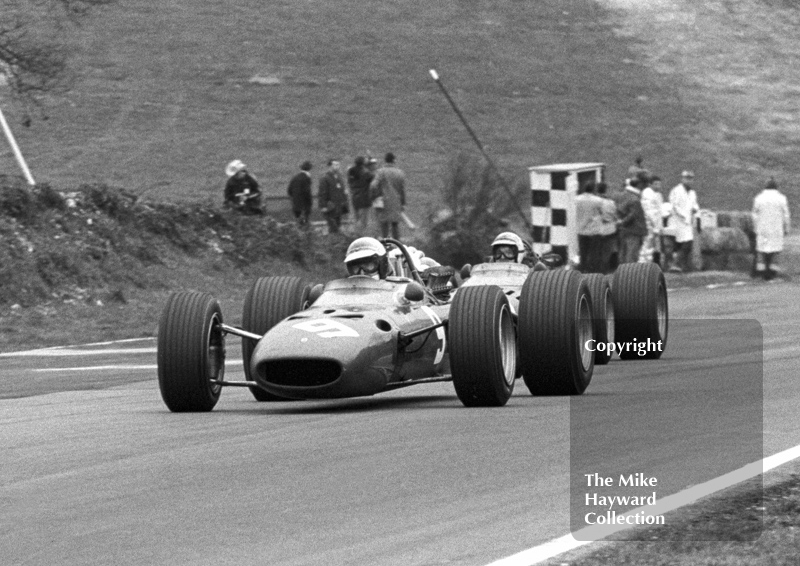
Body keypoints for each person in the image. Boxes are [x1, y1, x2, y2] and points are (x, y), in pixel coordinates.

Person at [752, 177, 791, 280]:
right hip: (776, 228)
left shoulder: (759, 198)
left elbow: (754, 214)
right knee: (775, 250)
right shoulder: (781, 198)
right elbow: (786, 215)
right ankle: (772, 272)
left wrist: (755, 227)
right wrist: (786, 227)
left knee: (761, 250)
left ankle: (761, 271)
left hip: (762, 227)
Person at [667, 170, 700, 272]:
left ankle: (680, 266)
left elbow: (695, 205)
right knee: (684, 244)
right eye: (687, 179)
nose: (689, 181)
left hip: (687, 223)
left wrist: (696, 213)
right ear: (682, 179)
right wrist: (684, 216)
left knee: (686, 244)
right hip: (677, 221)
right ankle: (675, 264)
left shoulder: (692, 193)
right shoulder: (676, 191)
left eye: (691, 179)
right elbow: (675, 206)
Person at [370, 152, 406, 239]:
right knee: (395, 225)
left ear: (385, 161)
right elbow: (402, 190)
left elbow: (373, 185)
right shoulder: (400, 173)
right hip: (396, 202)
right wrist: (403, 203)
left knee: (384, 224)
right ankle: (397, 245)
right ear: (394, 160)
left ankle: (385, 245)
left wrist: (375, 197)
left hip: (384, 202)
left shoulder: (381, 172)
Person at [574, 181, 608, 273]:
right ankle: (593, 271)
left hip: (581, 230)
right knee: (594, 253)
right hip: (594, 230)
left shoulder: (577, 199)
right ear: (593, 189)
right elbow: (603, 213)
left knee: (583, 252)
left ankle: (582, 270)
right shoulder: (598, 200)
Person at [615, 177, 647, 264]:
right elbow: (633, 215)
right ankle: (630, 273)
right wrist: (624, 221)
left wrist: (620, 222)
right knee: (632, 253)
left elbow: (617, 210)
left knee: (623, 252)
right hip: (634, 229)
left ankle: (622, 271)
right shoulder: (635, 199)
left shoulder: (621, 195)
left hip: (622, 229)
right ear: (639, 185)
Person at [639, 175, 665, 264]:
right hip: (649, 224)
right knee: (648, 246)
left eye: (659, 184)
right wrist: (656, 226)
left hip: (657, 224)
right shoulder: (647, 194)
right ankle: (643, 265)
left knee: (657, 246)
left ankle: (656, 264)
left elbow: (659, 210)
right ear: (650, 184)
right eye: (656, 184)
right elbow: (650, 212)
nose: (658, 186)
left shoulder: (658, 194)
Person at [318, 159, 348, 234]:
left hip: (339, 206)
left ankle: (336, 241)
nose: (337, 167)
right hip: (330, 206)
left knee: (338, 225)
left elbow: (342, 189)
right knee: (333, 227)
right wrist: (323, 206)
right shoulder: (325, 178)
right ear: (330, 166)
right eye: (335, 165)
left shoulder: (339, 177)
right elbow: (322, 193)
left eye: (338, 165)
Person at [595, 182, 619, 273]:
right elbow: (615, 216)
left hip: (594, 230)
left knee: (596, 251)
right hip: (608, 230)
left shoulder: (593, 202)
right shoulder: (610, 202)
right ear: (606, 190)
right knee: (607, 251)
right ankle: (604, 270)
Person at [347, 156, 373, 234]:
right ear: (363, 163)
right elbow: (372, 177)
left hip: (354, 198)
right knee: (363, 221)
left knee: (356, 219)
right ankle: (361, 236)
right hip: (364, 198)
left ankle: (355, 235)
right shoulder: (366, 172)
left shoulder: (351, 171)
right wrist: (369, 164)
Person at [287, 160, 313, 226]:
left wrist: (294, 199)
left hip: (295, 205)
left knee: (298, 224)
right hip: (304, 206)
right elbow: (307, 192)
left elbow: (289, 190)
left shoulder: (295, 177)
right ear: (309, 169)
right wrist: (309, 203)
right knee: (305, 225)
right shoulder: (306, 178)